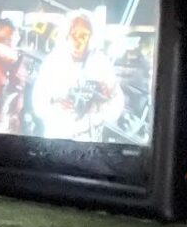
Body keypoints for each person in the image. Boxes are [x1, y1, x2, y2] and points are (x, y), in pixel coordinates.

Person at [31, 10, 124, 141]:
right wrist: (55, 105)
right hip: (56, 139)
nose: (78, 41)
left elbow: (116, 109)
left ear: (91, 37)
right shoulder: (53, 61)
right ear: (66, 35)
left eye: (84, 35)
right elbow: (38, 104)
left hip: (89, 141)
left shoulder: (101, 63)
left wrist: (105, 101)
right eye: (73, 34)